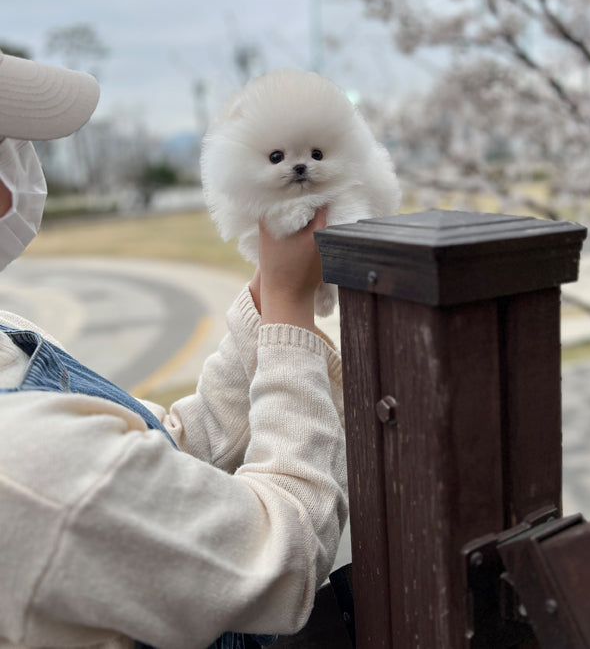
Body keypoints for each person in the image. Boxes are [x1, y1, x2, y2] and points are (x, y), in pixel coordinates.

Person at [0, 50, 347, 649]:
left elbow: (154, 458)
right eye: (10, 143)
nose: (19, 173)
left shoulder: (7, 341)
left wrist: (266, 302)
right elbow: (283, 560)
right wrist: (290, 307)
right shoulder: (28, 469)